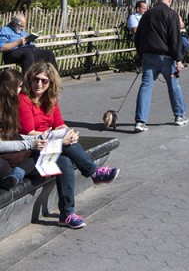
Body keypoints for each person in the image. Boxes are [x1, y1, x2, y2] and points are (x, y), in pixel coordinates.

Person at [19, 61, 120, 228]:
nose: (39, 84)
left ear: (51, 83)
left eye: (44, 81)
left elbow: (59, 124)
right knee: (64, 147)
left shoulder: (50, 99)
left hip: (50, 147)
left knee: (64, 160)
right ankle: (93, 172)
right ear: (30, 79)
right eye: (36, 79)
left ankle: (67, 214)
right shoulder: (24, 100)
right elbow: (29, 133)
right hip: (34, 148)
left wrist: (69, 133)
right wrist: (59, 139)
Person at [134, 0, 188, 132]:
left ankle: (140, 121)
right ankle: (179, 115)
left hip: (149, 55)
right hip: (167, 57)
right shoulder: (172, 15)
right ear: (169, 0)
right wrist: (179, 59)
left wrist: (141, 54)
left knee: (145, 87)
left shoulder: (146, 15)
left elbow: (138, 36)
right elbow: (175, 39)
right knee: (173, 85)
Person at [0, 68, 44, 191]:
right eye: (19, 86)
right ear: (10, 88)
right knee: (3, 167)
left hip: (10, 153)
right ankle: (16, 174)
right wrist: (29, 143)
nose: (21, 90)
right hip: (3, 155)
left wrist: (38, 138)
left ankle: (16, 174)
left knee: (41, 152)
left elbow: (12, 135)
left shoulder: (11, 106)